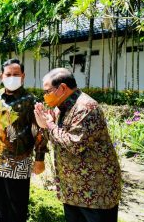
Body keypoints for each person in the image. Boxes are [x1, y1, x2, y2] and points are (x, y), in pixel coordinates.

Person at [34, 68, 121, 222]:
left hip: (96, 192)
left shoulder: (86, 107)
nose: (45, 96)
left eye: (47, 91)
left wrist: (49, 125)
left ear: (62, 88)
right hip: (72, 189)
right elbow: (57, 138)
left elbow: (74, 144)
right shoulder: (60, 108)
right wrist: (44, 124)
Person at [0, 59, 48, 222]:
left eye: (16, 74)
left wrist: (39, 159)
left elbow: (40, 132)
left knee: (17, 205)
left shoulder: (31, 100)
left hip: (18, 163)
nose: (12, 77)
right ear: (1, 76)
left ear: (23, 76)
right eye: (8, 74)